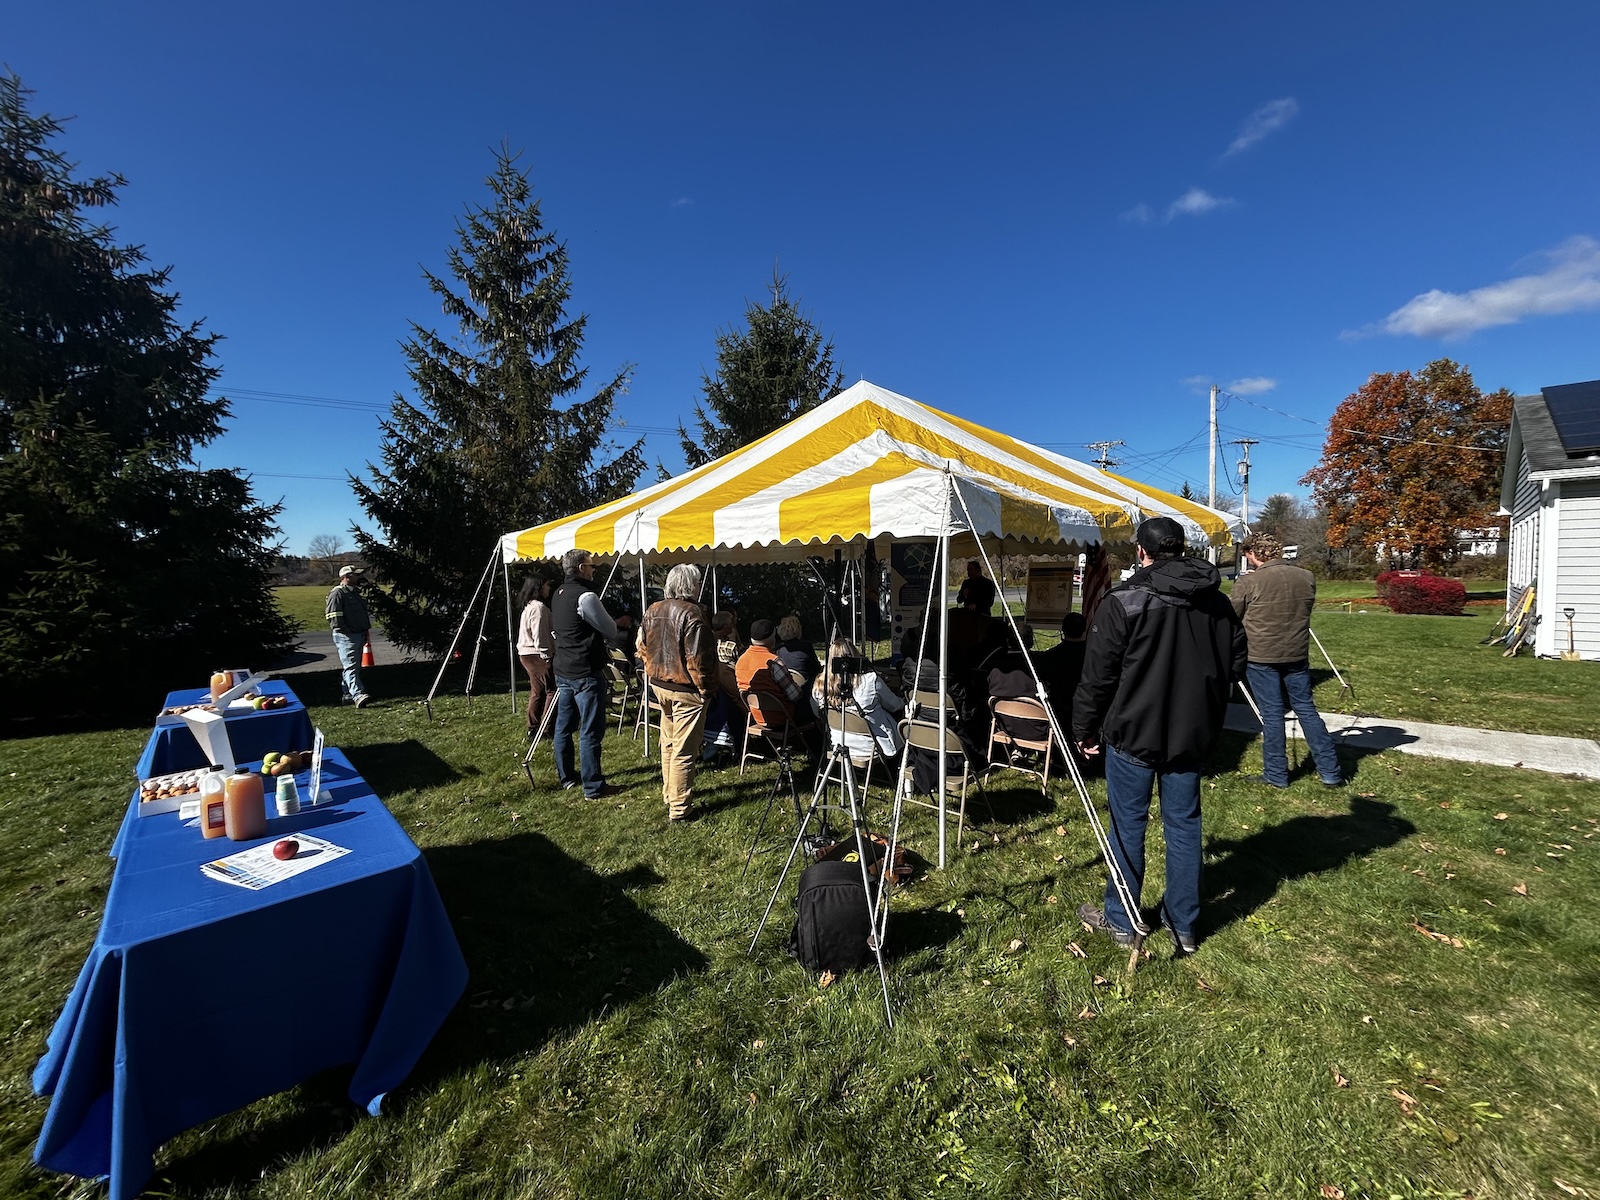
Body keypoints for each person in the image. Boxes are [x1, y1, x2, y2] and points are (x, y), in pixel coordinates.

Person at [1072, 517, 1246, 954]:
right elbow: (1235, 665)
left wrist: (1083, 729)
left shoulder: (1203, 603)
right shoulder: (1203, 604)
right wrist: (1087, 726)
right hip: (1172, 731)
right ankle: (1171, 921)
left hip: (1141, 732)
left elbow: (1097, 678)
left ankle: (1147, 919)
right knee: (1180, 826)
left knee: (1135, 826)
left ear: (1141, 551)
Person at [1230, 532, 1345, 789]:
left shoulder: (1249, 583)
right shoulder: (1306, 577)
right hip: (1296, 653)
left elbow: (1232, 617)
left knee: (1272, 715)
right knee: (1306, 708)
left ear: (1253, 553)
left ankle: (1275, 774)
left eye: (1247, 555)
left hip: (1261, 655)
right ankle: (1330, 771)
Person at [640, 564, 717, 821]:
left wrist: (650, 668)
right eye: (696, 583)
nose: (699, 587)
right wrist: (705, 690)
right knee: (684, 750)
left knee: (669, 745)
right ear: (690, 586)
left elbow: (641, 646)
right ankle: (680, 809)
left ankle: (670, 795)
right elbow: (699, 659)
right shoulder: (693, 613)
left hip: (660, 685)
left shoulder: (653, 609)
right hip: (686, 689)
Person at [551, 548, 622, 799]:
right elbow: (611, 629)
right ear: (581, 568)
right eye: (591, 565)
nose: (594, 569)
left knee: (564, 726)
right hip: (584, 670)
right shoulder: (585, 596)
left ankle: (567, 777)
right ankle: (593, 785)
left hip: (563, 668)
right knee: (590, 730)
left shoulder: (558, 594)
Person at [813, 633, 904, 760]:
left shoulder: (819, 685)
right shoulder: (870, 680)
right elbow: (895, 706)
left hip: (839, 743)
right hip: (871, 746)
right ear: (855, 657)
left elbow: (818, 713)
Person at [736, 618, 809, 728]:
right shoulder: (774, 662)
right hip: (782, 718)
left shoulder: (741, 661)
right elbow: (795, 695)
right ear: (772, 638)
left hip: (756, 716)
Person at [324, 565, 373, 708]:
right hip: (347, 636)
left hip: (358, 633)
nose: (359, 577)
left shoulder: (354, 592)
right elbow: (333, 616)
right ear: (346, 577)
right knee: (351, 666)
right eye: (355, 575)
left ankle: (347, 694)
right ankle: (358, 695)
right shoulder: (337, 593)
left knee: (352, 666)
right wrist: (346, 631)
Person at [516, 575, 554, 737]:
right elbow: (539, 634)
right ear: (539, 587)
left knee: (538, 691)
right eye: (546, 585)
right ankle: (546, 728)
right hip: (536, 654)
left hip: (527, 653)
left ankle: (533, 726)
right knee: (552, 690)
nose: (548, 588)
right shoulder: (538, 608)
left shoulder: (529, 606)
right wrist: (547, 655)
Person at [774, 614, 821, 684]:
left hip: (783, 688)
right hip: (804, 686)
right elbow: (816, 669)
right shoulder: (806, 647)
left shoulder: (778, 650)